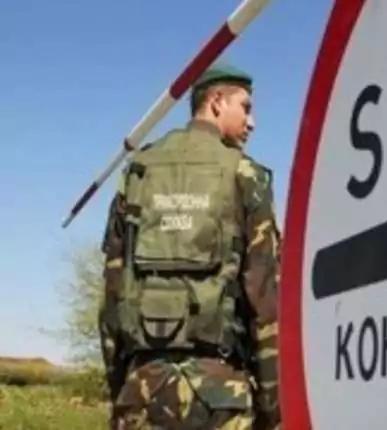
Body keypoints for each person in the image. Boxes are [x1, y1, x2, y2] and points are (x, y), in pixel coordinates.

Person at [97, 62, 282, 430]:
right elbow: (265, 302)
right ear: (216, 101)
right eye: (245, 107)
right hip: (222, 396)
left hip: (141, 392)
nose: (252, 122)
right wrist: (272, 410)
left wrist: (125, 388)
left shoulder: (138, 172)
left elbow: (111, 299)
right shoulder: (246, 175)